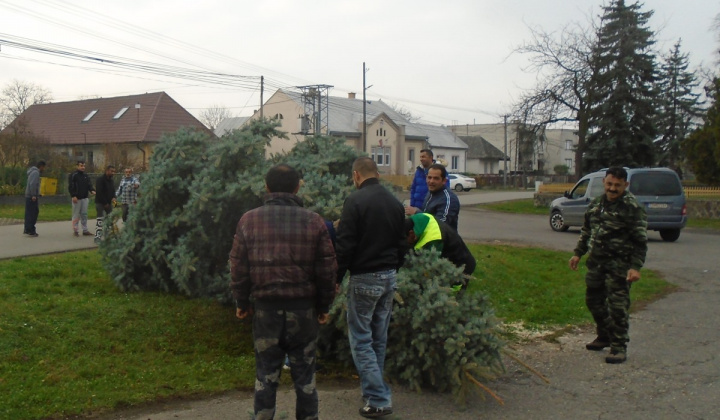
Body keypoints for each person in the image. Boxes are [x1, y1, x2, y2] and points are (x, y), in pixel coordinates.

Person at [229, 164, 337, 420]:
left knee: (266, 377)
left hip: (266, 312)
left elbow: (238, 267)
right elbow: (327, 270)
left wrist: (242, 301)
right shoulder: (314, 221)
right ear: (298, 187)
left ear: (266, 187)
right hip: (304, 311)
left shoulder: (249, 220)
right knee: (306, 380)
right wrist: (324, 306)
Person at [335, 156, 406, 418]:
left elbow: (345, 246)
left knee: (361, 339)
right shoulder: (394, 202)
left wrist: (335, 279)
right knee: (378, 337)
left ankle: (378, 398)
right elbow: (402, 242)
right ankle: (371, 392)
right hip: (388, 277)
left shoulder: (354, 201)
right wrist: (394, 268)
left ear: (356, 175)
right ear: (377, 173)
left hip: (364, 278)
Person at [568, 166, 648, 364]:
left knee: (617, 307)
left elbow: (640, 241)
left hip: (619, 266)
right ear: (604, 182)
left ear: (625, 185)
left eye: (617, 186)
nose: (612, 189)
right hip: (596, 263)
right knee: (593, 301)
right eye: (610, 184)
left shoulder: (632, 207)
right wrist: (578, 253)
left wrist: (635, 267)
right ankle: (604, 336)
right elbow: (587, 230)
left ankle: (619, 346)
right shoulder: (597, 204)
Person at [405, 213, 476, 290]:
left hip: (459, 269)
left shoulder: (434, 240)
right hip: (447, 262)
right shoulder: (419, 220)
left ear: (411, 233)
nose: (407, 243)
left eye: (406, 240)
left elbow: (429, 269)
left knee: (451, 295)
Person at [405, 163, 460, 230]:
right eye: (429, 177)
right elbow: (427, 215)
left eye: (436, 178)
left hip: (443, 239)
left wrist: (417, 213)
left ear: (444, 181)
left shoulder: (449, 199)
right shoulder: (430, 193)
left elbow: (440, 225)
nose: (431, 181)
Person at [68, 161, 96, 237]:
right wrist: (73, 195)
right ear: (77, 166)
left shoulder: (86, 175)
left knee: (84, 214)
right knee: (76, 214)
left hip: (85, 198)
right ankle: (75, 230)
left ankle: (85, 230)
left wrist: (92, 190)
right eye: (81, 166)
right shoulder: (73, 175)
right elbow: (71, 186)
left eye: (84, 166)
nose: (83, 167)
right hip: (77, 198)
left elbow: (89, 185)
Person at [94, 165, 117, 242]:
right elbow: (99, 192)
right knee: (100, 220)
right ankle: (97, 237)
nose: (113, 173)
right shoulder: (100, 180)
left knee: (110, 220)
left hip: (109, 203)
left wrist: (114, 197)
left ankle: (109, 236)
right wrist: (105, 203)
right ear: (107, 171)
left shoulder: (111, 181)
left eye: (114, 171)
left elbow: (113, 190)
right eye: (111, 171)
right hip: (100, 203)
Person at [23, 160, 46, 237]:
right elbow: (32, 184)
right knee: (33, 213)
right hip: (31, 196)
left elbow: (34, 185)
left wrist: (38, 194)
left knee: (30, 213)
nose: (44, 169)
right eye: (44, 167)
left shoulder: (33, 172)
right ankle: (30, 230)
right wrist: (33, 195)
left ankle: (28, 229)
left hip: (30, 196)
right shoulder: (35, 173)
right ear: (41, 166)